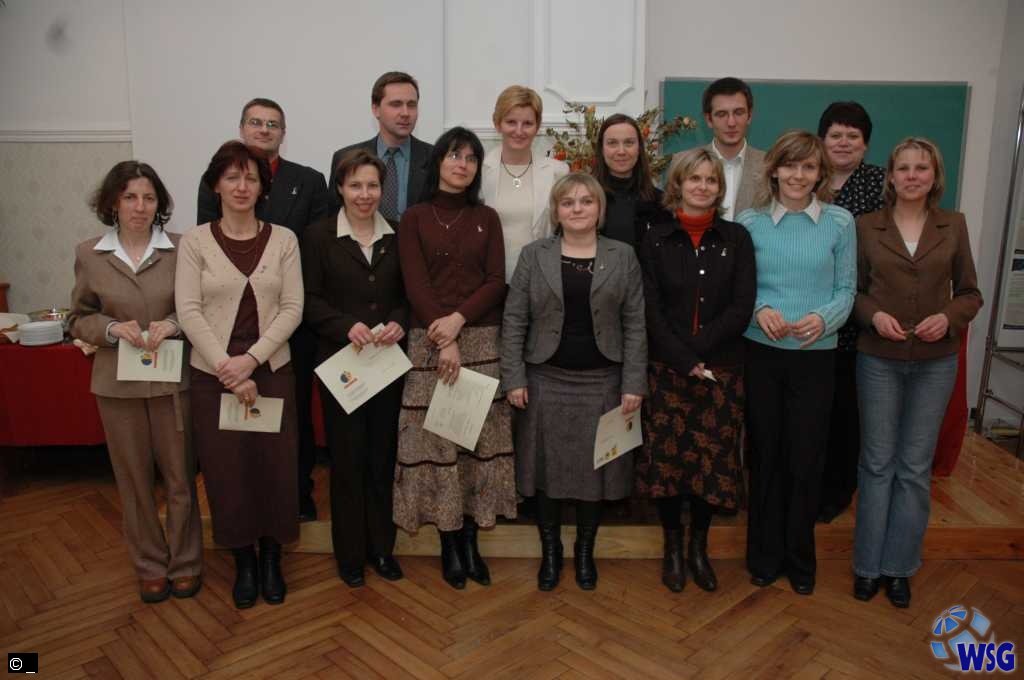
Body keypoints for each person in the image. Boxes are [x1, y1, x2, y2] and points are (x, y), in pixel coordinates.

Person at [851, 138, 982, 608]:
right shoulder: (866, 226)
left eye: (921, 168)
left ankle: (899, 568)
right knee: (877, 464)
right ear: (890, 175)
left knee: (913, 467)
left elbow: (970, 293)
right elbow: (852, 290)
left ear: (934, 176)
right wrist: (872, 316)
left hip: (935, 363)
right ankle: (867, 566)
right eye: (903, 168)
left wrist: (948, 318)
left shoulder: (954, 225)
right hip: (878, 359)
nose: (911, 176)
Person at [501, 172, 647, 591]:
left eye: (586, 201)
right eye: (568, 202)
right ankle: (551, 552)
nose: (578, 208)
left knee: (594, 473)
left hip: (603, 381)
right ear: (556, 211)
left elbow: (635, 324)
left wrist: (633, 383)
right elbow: (514, 320)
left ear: (600, 209)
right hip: (545, 379)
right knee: (545, 471)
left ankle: (585, 551)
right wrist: (514, 377)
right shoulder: (534, 255)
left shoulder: (623, 256)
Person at [177, 141, 304, 608]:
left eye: (251, 177)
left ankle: (271, 558)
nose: (242, 186)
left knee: (274, 468)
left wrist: (250, 360)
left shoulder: (284, 240)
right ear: (216, 184)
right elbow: (188, 311)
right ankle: (244, 562)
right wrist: (227, 368)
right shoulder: (194, 242)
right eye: (232, 177)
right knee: (227, 471)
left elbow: (293, 308)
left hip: (270, 371)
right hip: (213, 376)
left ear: (262, 187)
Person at [69, 161, 202, 603]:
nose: (140, 207)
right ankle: (150, 565)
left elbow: (198, 305)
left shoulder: (182, 248)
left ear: (159, 203)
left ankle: (186, 563)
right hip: (117, 386)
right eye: (130, 197)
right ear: (113, 203)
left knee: (180, 478)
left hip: (171, 382)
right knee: (133, 481)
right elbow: (78, 318)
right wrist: (110, 329)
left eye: (148, 198)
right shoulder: (89, 253)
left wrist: (174, 323)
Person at [198, 97, 328, 523]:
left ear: (283, 133)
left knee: (293, 417)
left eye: (273, 124)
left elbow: (318, 249)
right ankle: (242, 510)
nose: (264, 129)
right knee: (232, 437)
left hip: (291, 323)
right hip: (226, 329)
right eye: (256, 122)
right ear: (242, 127)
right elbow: (208, 246)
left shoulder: (308, 181)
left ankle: (297, 492)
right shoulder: (217, 177)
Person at [395, 127, 514, 590]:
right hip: (429, 342)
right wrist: (444, 337)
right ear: (438, 163)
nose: (462, 164)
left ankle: (470, 542)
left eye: (470, 157)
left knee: (476, 446)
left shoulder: (487, 217)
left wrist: (459, 322)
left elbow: (496, 280)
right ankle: (448, 545)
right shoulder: (414, 217)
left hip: (481, 340)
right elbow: (415, 283)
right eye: (453, 155)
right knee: (437, 447)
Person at [737, 130, 856, 595]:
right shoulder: (750, 223)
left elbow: (846, 290)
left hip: (815, 357)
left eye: (808, 166)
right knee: (766, 456)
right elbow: (740, 289)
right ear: (774, 170)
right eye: (790, 165)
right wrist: (758, 310)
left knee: (806, 459)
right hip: (761, 355)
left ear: (820, 173)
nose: (798, 175)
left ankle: (800, 561)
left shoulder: (840, 223)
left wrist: (823, 319)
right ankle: (764, 557)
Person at [634, 149, 755, 593]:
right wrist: (683, 358)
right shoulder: (655, 239)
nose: (702, 186)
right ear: (679, 185)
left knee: (712, 464)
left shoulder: (737, 238)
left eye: (711, 179)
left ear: (720, 188)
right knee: (669, 463)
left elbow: (742, 305)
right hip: (667, 370)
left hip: (721, 370)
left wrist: (698, 352)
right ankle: (672, 548)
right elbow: (650, 308)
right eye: (694, 178)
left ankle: (698, 549)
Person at [303, 149, 408, 588]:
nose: (365, 194)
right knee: (347, 462)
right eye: (355, 185)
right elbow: (307, 300)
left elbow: (407, 294)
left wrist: (400, 320)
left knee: (382, 459)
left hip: (386, 366)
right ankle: (349, 555)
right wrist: (345, 325)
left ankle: (381, 548)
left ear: (382, 190)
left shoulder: (398, 234)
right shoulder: (317, 236)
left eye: (372, 185)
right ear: (340, 189)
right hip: (341, 368)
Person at [816, 102, 887, 524]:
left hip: (862, 319)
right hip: (808, 319)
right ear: (822, 140)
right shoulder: (806, 178)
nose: (843, 143)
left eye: (853, 136)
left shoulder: (882, 184)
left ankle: (839, 490)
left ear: (866, 144)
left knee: (847, 413)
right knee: (814, 414)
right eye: (836, 135)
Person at [481, 85, 569, 282]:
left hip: (540, 279)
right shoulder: (480, 170)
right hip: (489, 281)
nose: (519, 131)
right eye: (511, 122)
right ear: (497, 124)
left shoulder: (558, 172)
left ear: (537, 127)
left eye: (527, 123)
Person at [327, 72, 433, 222]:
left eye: (411, 105)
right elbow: (334, 219)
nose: (405, 113)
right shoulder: (344, 158)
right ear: (375, 109)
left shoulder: (436, 158)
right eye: (396, 104)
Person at [676, 77, 765, 220]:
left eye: (738, 113)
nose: (731, 122)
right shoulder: (682, 162)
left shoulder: (770, 165)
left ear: (749, 116)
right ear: (708, 119)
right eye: (721, 114)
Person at [593, 113, 671, 247]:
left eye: (629, 143)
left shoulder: (661, 202)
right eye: (612, 143)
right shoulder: (585, 199)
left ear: (639, 148)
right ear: (601, 149)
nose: (621, 151)